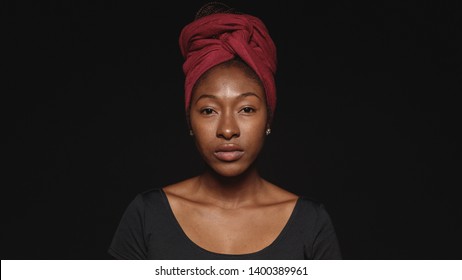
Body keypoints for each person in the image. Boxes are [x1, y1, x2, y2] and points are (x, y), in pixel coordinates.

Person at [108, 2, 342, 260]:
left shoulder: (310, 223)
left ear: (268, 119)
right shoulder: (147, 215)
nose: (228, 130)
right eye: (209, 110)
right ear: (189, 121)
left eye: (247, 109)